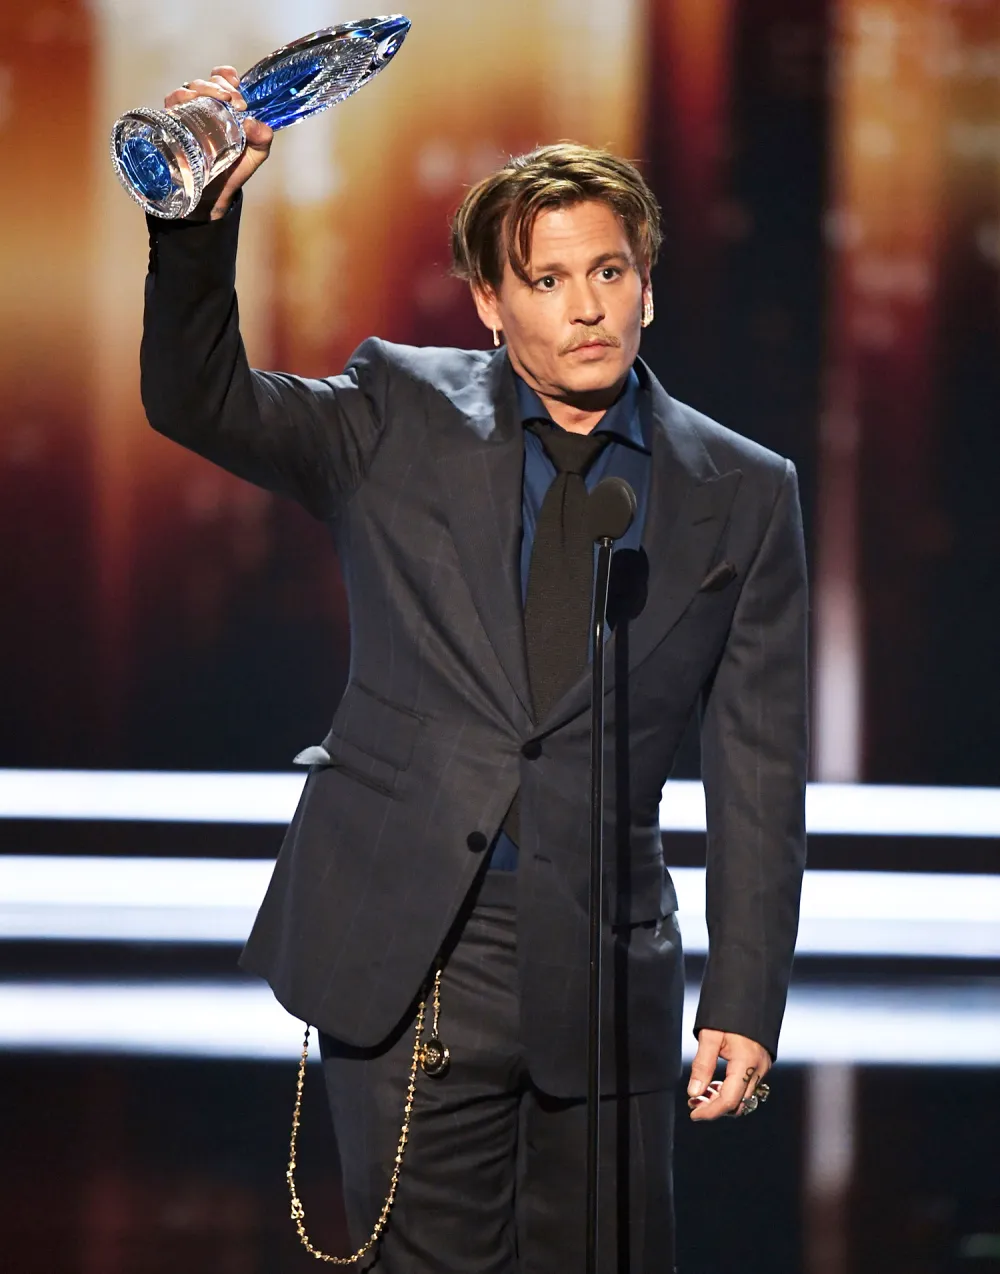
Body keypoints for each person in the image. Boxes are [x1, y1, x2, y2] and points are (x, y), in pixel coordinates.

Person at [141, 67, 808, 1274]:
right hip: (415, 956)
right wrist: (192, 224)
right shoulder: (395, 412)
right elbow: (198, 398)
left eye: (608, 271)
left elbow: (758, 763)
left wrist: (745, 996)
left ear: (647, 286)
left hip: (606, 964)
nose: (585, 306)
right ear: (491, 303)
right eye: (547, 280)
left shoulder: (743, 490)